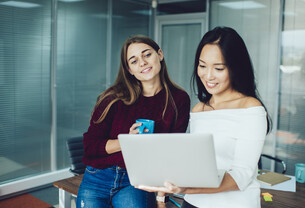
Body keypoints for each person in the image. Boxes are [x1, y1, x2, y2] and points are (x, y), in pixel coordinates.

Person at [137, 27, 270, 208]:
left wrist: (187, 189)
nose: (208, 76)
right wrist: (163, 192)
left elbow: (242, 175)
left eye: (219, 68)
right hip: (193, 203)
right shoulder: (199, 109)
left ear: (235, 68)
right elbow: (195, 163)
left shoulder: (250, 108)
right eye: (202, 66)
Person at [76, 35, 191, 208]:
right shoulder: (113, 97)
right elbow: (90, 146)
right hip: (98, 176)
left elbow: (172, 152)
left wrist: (161, 199)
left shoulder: (179, 99)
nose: (143, 63)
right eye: (134, 60)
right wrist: (128, 141)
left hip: (136, 180)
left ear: (160, 54)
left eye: (147, 55)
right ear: (129, 69)